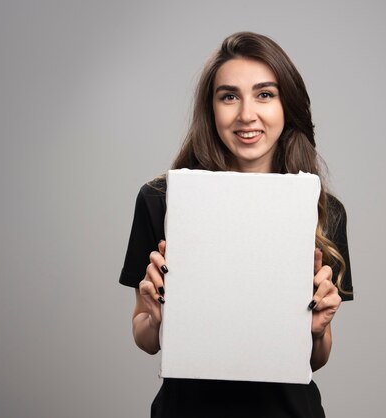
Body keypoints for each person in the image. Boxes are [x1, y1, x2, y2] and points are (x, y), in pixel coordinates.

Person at [119, 31, 353, 418]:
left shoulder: (323, 209)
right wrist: (154, 313)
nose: (247, 115)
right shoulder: (160, 200)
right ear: (211, 109)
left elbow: (316, 359)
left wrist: (318, 328)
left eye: (265, 94)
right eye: (229, 96)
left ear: (286, 104)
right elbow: (146, 339)